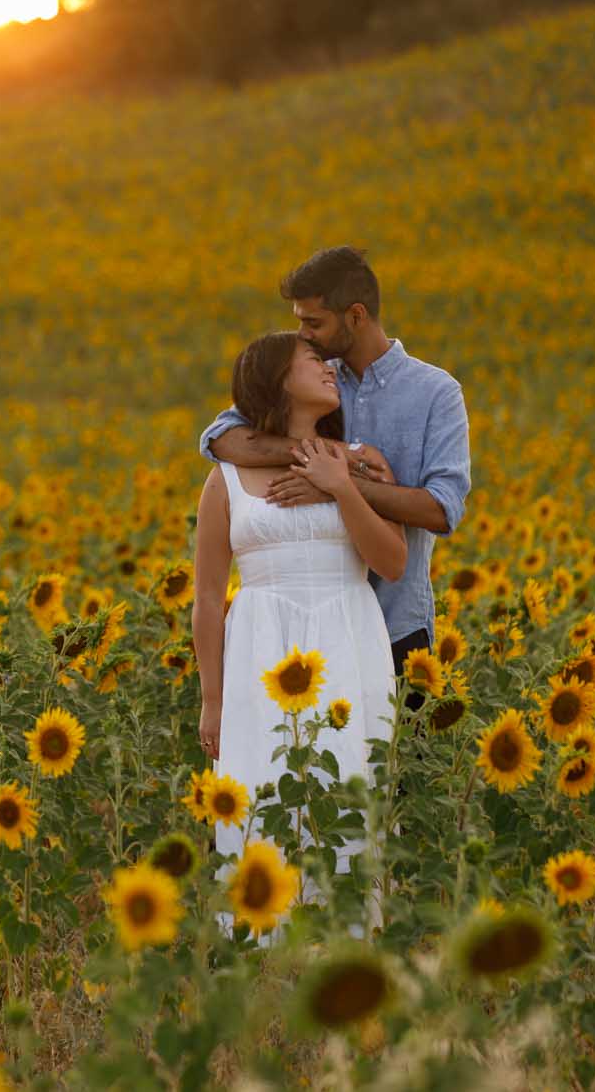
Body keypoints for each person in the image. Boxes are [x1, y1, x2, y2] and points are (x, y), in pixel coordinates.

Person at [192, 331, 402, 934]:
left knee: (352, 783)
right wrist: (212, 699)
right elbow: (207, 597)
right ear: (278, 379)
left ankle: (352, 939)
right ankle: (266, 950)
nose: (329, 367)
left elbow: (391, 561)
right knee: (262, 785)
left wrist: (341, 486)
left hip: (348, 634)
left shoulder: (361, 463)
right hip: (260, 646)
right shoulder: (226, 478)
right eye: (312, 360)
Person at [198, 247, 472, 707]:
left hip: (397, 623)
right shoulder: (315, 378)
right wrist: (330, 455)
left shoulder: (435, 393)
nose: (303, 334)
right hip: (303, 634)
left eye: (313, 323)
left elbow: (441, 510)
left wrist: (337, 483)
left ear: (356, 316)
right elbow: (222, 437)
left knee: (393, 755)